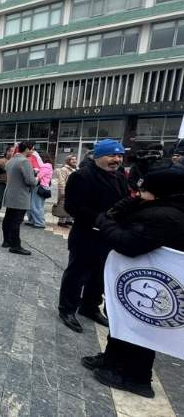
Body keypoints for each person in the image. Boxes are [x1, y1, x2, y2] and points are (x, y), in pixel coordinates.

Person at [81, 161, 184, 398]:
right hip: (134, 278)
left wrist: (103, 223)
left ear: (161, 193)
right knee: (123, 320)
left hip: (149, 283)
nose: (138, 194)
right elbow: (117, 212)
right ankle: (112, 359)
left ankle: (135, 377)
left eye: (143, 191)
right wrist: (134, 200)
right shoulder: (160, 205)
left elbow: (127, 242)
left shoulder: (167, 216)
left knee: (141, 329)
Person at [57, 139, 128, 333]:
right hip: (86, 234)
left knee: (100, 276)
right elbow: (72, 206)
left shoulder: (120, 175)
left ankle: (89, 306)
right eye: (112, 155)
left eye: (120, 155)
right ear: (98, 157)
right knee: (77, 274)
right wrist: (98, 219)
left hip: (110, 236)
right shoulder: (81, 176)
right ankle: (67, 309)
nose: (117, 159)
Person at [1, 141, 38, 256]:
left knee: (8, 218)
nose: (33, 151)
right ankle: (15, 246)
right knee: (16, 221)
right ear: (27, 149)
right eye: (32, 149)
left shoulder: (11, 160)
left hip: (10, 193)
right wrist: (37, 178)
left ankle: (6, 241)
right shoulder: (24, 161)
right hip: (20, 196)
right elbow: (30, 181)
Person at [26, 152, 53, 228]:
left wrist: (35, 170)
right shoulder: (42, 166)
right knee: (30, 205)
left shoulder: (47, 166)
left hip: (40, 187)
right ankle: (32, 221)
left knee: (36, 206)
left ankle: (40, 223)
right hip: (36, 186)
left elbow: (39, 175)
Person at [53, 155, 77, 227]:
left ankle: (68, 221)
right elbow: (61, 181)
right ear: (68, 161)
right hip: (66, 190)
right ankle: (61, 221)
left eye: (75, 159)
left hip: (73, 191)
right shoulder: (64, 169)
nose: (74, 161)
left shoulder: (75, 169)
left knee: (71, 206)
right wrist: (63, 191)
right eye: (72, 160)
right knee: (63, 206)